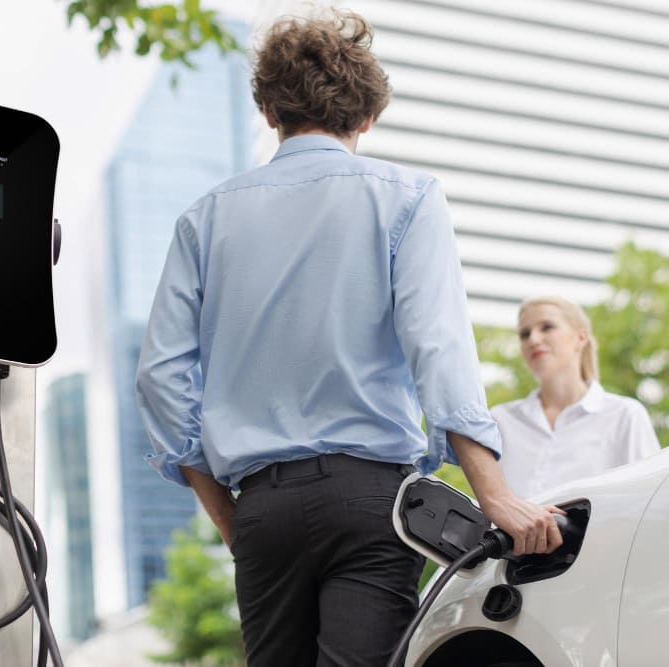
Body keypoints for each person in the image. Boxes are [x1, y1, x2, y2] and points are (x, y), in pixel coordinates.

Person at [135, 9, 562, 667]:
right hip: (371, 503)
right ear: (366, 117)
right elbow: (438, 346)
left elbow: (160, 376)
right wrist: (493, 491)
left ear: (270, 113)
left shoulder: (204, 220)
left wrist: (228, 514)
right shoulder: (406, 198)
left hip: (263, 508)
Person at [492, 296, 660, 498]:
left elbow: (648, 497)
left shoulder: (624, 415)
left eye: (547, 327)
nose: (533, 340)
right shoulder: (501, 419)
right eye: (525, 334)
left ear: (581, 338)